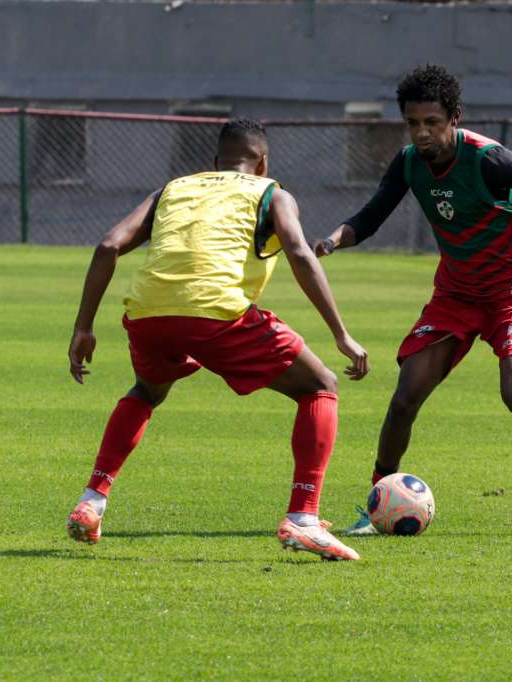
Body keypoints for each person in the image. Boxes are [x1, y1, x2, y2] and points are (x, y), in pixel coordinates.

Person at [314, 65, 512, 534]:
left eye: (431, 122)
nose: (421, 132)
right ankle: (378, 502)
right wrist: (330, 241)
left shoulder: (487, 159)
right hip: (456, 293)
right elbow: (369, 217)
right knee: (406, 395)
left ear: (454, 118)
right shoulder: (409, 162)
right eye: (413, 123)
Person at [65, 118, 369, 561]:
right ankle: (303, 518)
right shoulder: (272, 193)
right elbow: (300, 252)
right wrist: (341, 334)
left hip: (147, 310)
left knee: (148, 391)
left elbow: (109, 246)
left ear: (214, 163)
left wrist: (83, 327)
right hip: (216, 312)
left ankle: (92, 500)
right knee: (320, 385)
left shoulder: (173, 189)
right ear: (263, 162)